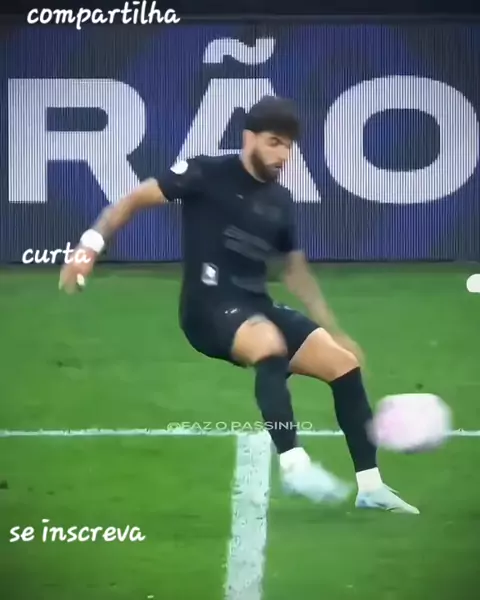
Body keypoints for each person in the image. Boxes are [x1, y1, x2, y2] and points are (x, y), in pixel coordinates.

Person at [59, 96, 419, 514]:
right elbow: (135, 198)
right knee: (269, 345)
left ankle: (371, 487)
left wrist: (334, 329)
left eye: (288, 146)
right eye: (274, 142)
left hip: (254, 304)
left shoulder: (279, 200)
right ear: (250, 139)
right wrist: (90, 246)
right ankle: (295, 465)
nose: (283, 155)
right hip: (206, 309)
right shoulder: (207, 172)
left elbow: (293, 270)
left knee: (343, 365)